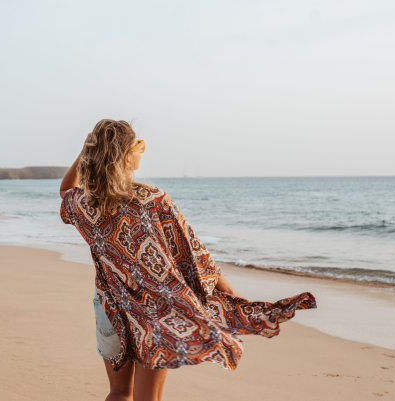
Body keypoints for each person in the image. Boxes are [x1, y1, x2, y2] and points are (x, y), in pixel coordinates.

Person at [59, 119, 316, 401]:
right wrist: (228, 292)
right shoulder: (152, 199)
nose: (141, 152)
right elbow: (193, 250)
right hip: (156, 309)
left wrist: (85, 150)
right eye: (139, 146)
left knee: (119, 393)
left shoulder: (83, 203)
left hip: (109, 307)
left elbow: (64, 190)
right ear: (124, 155)